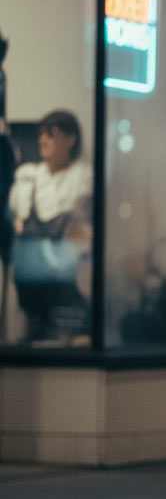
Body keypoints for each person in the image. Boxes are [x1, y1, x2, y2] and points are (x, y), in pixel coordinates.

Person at [8, 110, 92, 343]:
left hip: (68, 290)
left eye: (51, 132)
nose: (43, 139)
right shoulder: (28, 178)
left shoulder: (83, 179)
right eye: (41, 134)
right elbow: (16, 222)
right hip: (30, 297)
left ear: (71, 138)